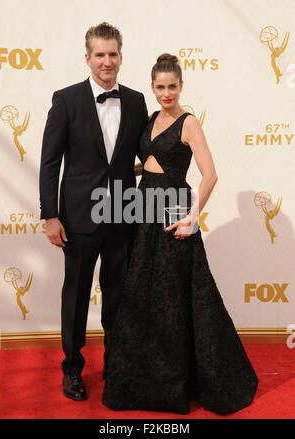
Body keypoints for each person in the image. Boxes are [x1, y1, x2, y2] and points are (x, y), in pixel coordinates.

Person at [102, 54, 258, 414]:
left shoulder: (189, 124)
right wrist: (125, 172)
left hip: (173, 212)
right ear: (153, 87)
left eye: (173, 86)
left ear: (182, 85)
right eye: (160, 87)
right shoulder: (152, 118)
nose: (166, 93)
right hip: (144, 210)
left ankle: (179, 383)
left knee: (174, 300)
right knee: (143, 295)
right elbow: (152, 164)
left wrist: (192, 217)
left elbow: (210, 175)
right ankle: (143, 380)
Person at [39, 23, 148, 401]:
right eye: (99, 54)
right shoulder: (66, 100)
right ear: (87, 58)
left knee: (119, 296)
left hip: (123, 215)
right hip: (79, 218)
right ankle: (72, 370)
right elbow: (50, 163)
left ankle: (117, 365)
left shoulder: (136, 101)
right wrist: (50, 215)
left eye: (113, 54)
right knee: (77, 295)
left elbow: (141, 158)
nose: (107, 61)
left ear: (121, 57)